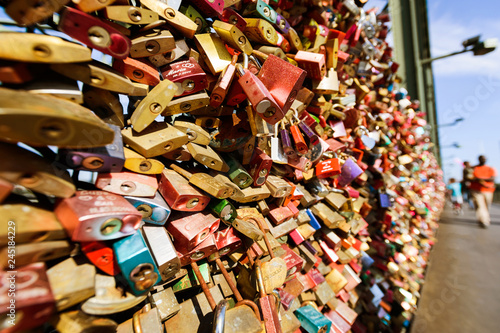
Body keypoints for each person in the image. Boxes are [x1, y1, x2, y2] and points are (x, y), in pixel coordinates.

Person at [470, 155, 497, 228]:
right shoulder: (473, 168)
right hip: (476, 190)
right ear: (479, 159)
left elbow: (492, 178)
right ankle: (484, 221)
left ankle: (485, 218)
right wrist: (475, 179)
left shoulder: (490, 168)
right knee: (480, 205)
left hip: (488, 190)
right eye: (482, 159)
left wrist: (480, 178)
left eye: (484, 159)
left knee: (487, 205)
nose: (483, 160)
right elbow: (469, 177)